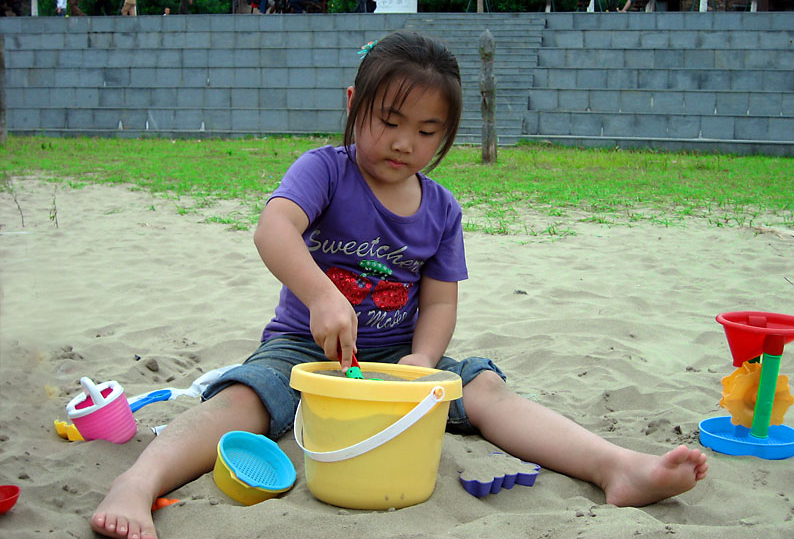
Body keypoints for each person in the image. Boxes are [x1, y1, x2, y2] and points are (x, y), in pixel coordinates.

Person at [90, 30, 708, 539]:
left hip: (399, 360)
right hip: (305, 351)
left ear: (446, 134)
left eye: (427, 130)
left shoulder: (441, 208)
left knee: (486, 389)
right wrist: (322, 295)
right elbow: (272, 229)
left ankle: (617, 467)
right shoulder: (325, 171)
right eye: (389, 120)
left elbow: (439, 300)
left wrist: (423, 362)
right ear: (355, 101)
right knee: (242, 401)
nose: (404, 142)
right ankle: (137, 483)